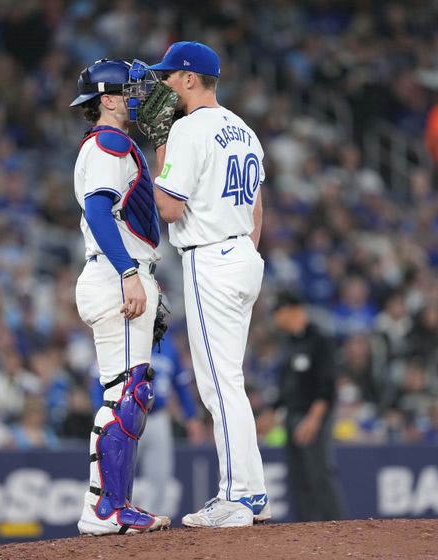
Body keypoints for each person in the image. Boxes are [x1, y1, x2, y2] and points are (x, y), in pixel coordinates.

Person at [144, 41, 269, 528]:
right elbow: (257, 206)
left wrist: (160, 149)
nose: (165, 85)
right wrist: (246, 250)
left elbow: (170, 208)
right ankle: (251, 492)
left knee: (219, 385)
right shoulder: (244, 129)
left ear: (191, 79)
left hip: (211, 259)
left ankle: (239, 497)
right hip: (242, 255)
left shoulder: (188, 131)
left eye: (170, 76)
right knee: (229, 380)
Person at [69, 58, 169, 535]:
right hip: (114, 276)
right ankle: (109, 508)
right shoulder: (109, 142)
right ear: (106, 100)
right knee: (129, 393)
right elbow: (97, 211)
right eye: (128, 88)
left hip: (117, 274)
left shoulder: (112, 143)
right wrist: (129, 271)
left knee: (124, 392)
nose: (138, 93)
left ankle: (103, 507)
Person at [90, 333, 206, 517]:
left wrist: (191, 417)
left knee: (160, 476)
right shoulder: (121, 337)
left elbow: (181, 384)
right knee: (118, 472)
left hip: (158, 417)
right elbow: (98, 381)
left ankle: (152, 527)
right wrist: (102, 414)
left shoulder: (168, 346)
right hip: (123, 417)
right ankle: (116, 516)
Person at [269, 290, 342, 521]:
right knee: (298, 477)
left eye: (279, 312)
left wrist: (313, 421)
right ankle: (306, 532)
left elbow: (327, 387)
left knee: (318, 474)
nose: (276, 318)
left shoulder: (320, 341)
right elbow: (285, 389)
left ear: (293, 310)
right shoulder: (289, 344)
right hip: (292, 416)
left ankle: (338, 527)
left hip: (314, 417)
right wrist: (270, 414)